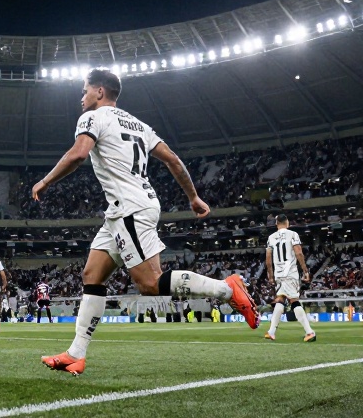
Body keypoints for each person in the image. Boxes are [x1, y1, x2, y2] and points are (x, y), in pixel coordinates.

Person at [33, 69, 259, 376]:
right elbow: (173, 160)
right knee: (92, 274)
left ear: (100, 92)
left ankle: (226, 290)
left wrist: (45, 182)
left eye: (85, 90)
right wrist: (193, 197)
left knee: (151, 284)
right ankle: (76, 354)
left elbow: (78, 154)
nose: (81, 97)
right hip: (123, 210)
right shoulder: (139, 124)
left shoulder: (92, 118)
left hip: (130, 208)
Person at [264, 214, 316, 342]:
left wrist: (270, 275)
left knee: (281, 299)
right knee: (293, 300)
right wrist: (305, 270)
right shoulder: (293, 234)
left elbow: (268, 260)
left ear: (276, 224)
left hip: (279, 274)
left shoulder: (271, 238)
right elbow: (298, 252)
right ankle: (309, 332)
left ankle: (271, 331)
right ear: (287, 223)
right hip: (290, 272)